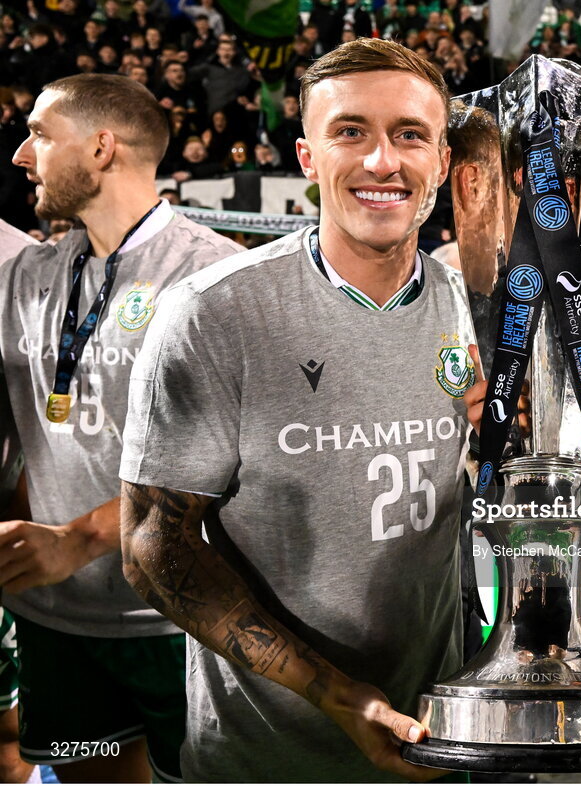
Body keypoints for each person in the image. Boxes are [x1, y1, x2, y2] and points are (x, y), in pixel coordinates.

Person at [118, 39, 485, 782]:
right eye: (351, 132)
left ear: (442, 164)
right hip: (267, 754)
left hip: (438, 737)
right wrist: (337, 695)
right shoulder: (215, 314)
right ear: (308, 159)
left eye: (410, 134)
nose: (383, 161)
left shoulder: (470, 305)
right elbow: (152, 548)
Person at [0, 74, 241, 782]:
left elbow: (231, 460)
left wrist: (80, 538)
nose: (21, 154)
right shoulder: (33, 273)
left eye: (41, 134)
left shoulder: (213, 275)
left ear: (102, 148)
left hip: (180, 623)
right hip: (59, 624)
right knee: (92, 772)